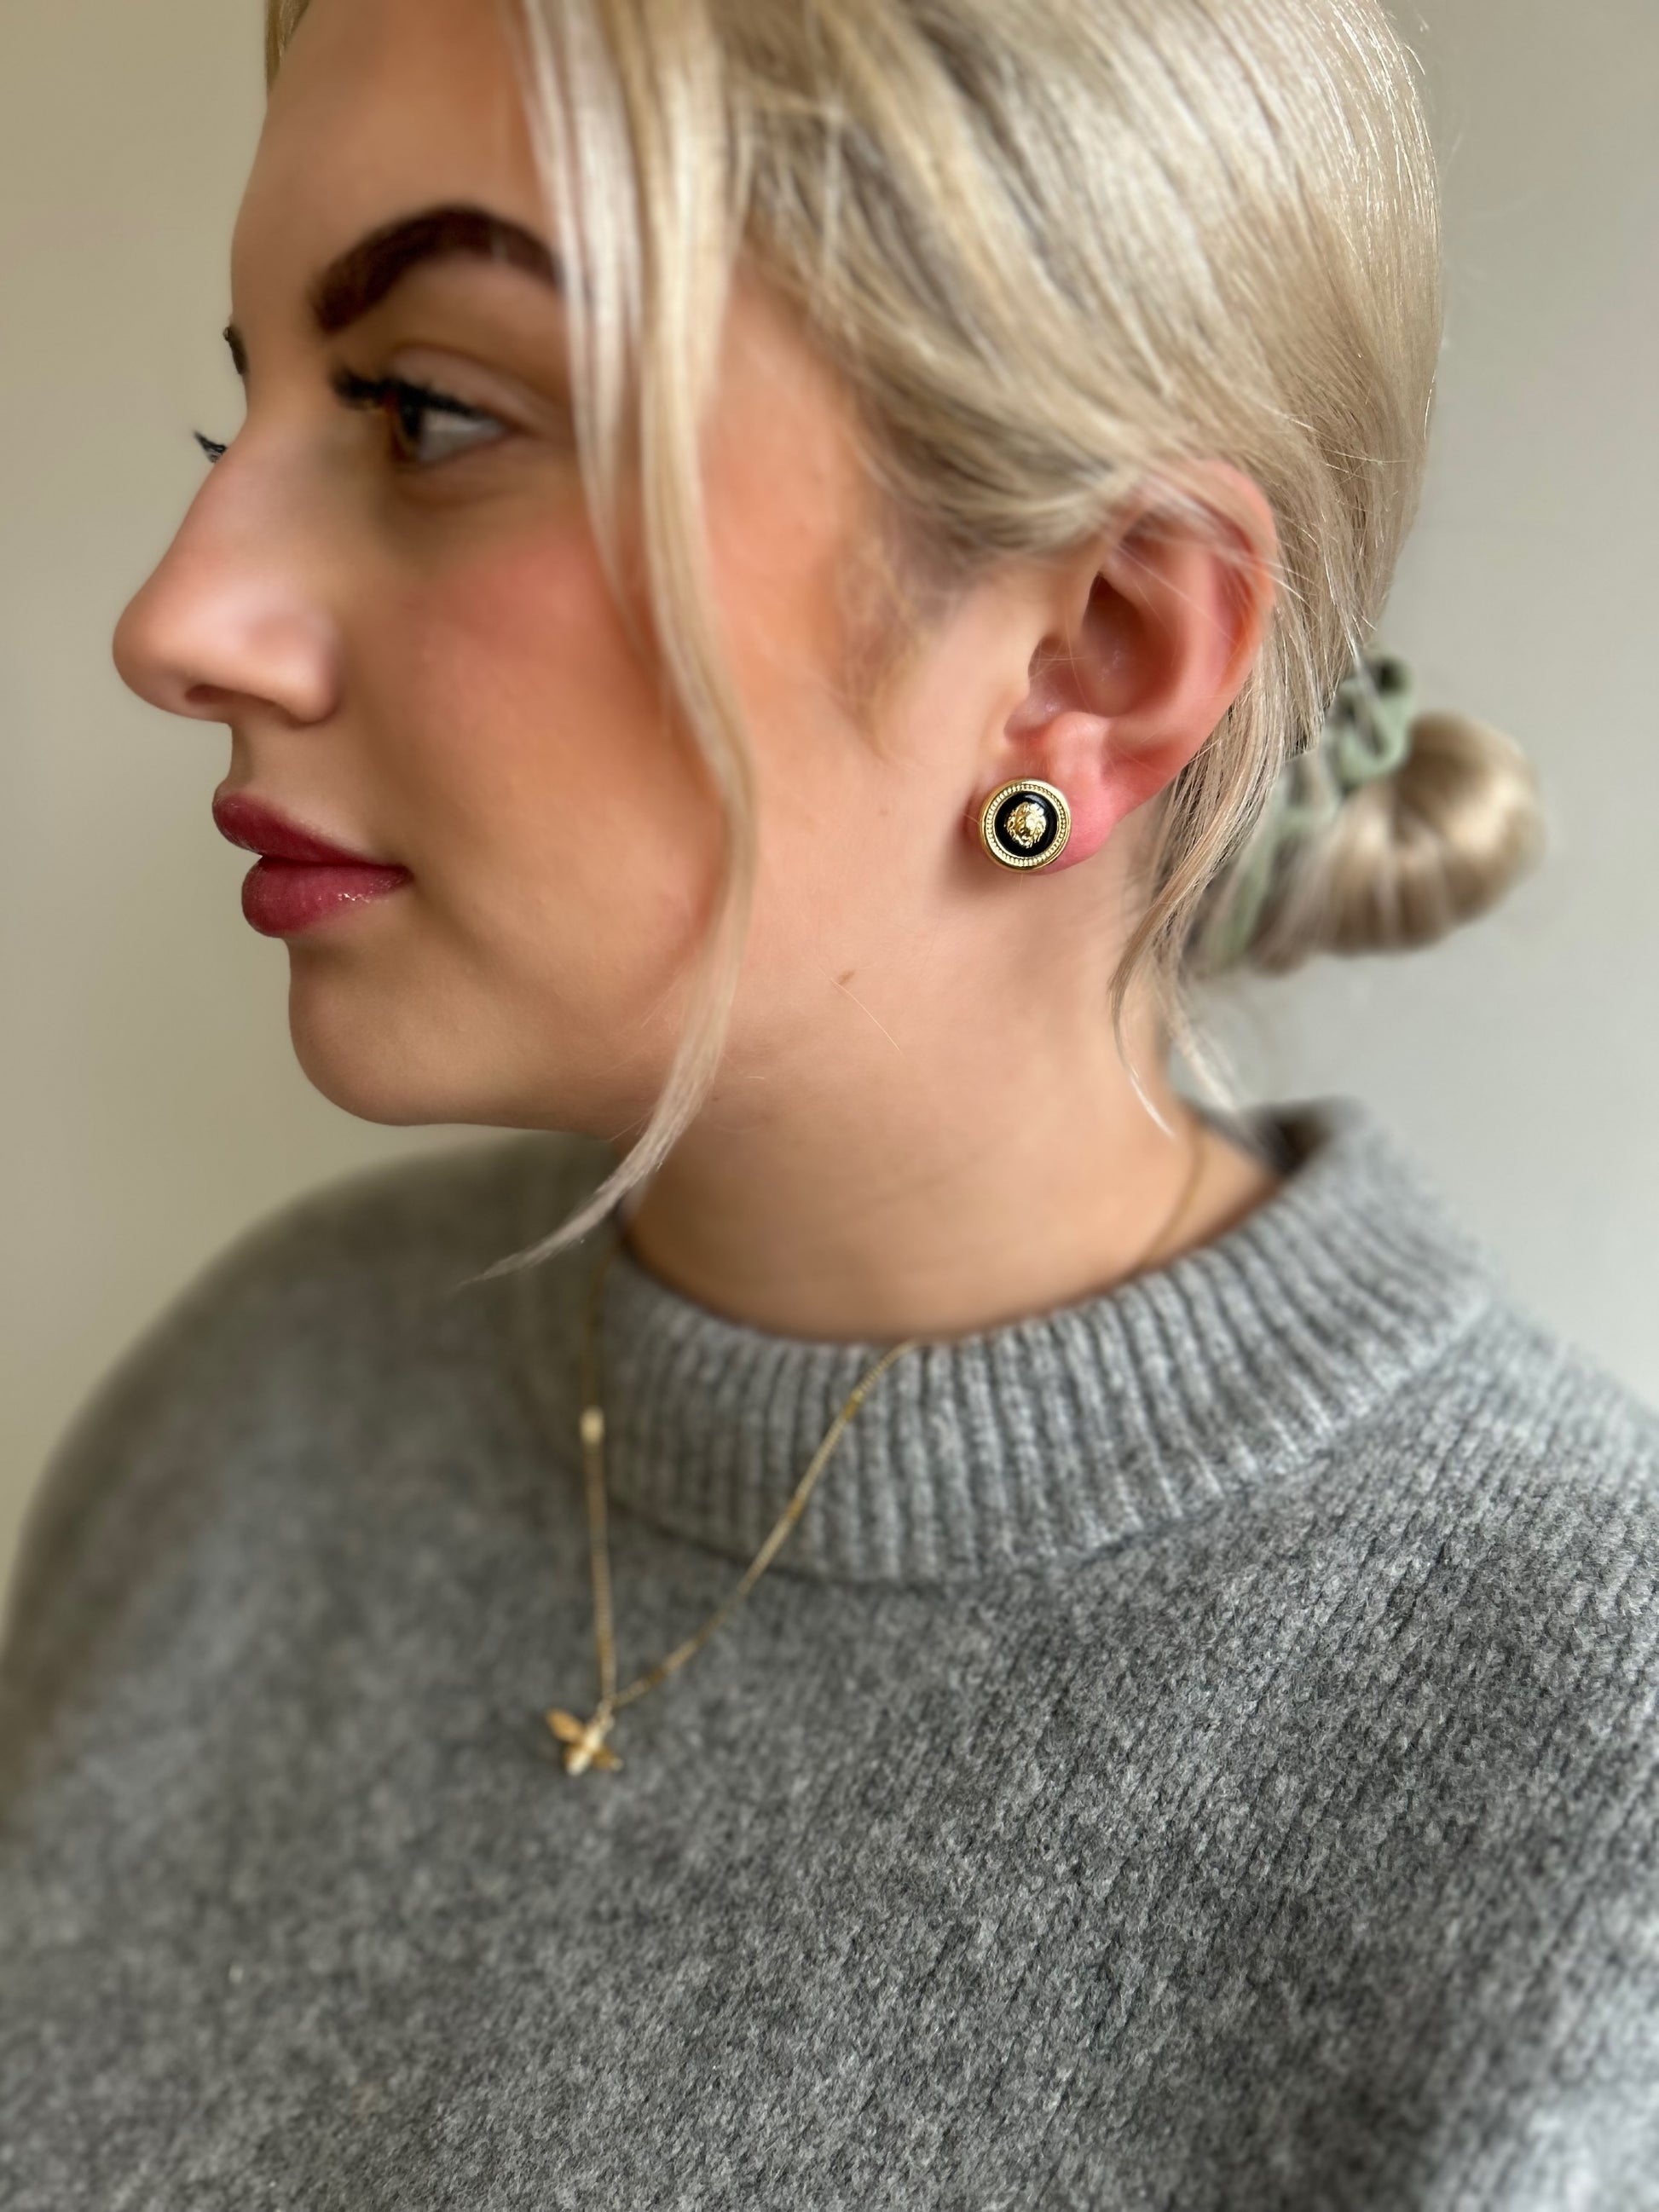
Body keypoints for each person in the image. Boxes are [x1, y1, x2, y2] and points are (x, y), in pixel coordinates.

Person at [3, 0, 1655, 2203]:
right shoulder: (253, 1407)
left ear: (1092, 647)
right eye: (252, 400)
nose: (184, 614)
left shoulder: (1577, 1773)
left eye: (422, 408)